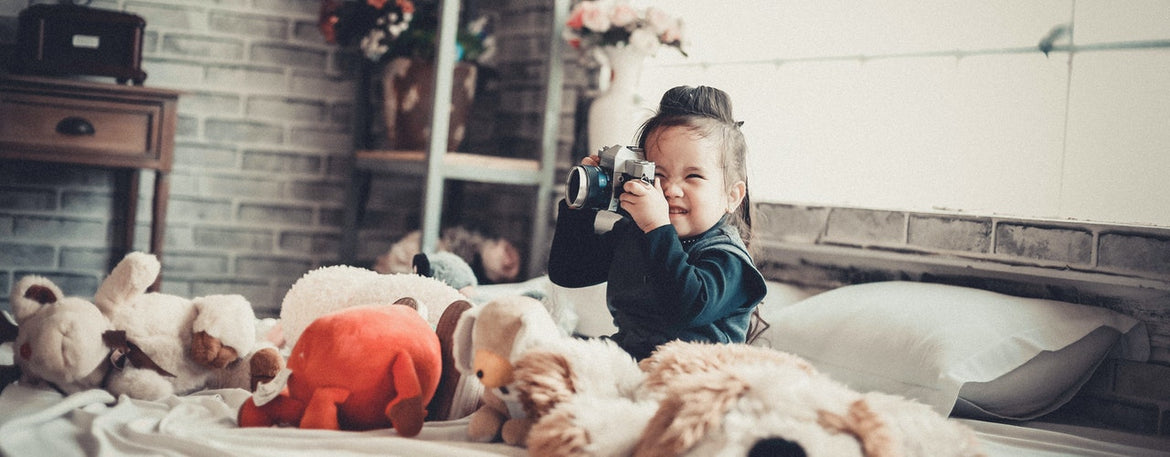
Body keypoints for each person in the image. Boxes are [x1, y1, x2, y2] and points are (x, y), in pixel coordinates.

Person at [548, 85, 767, 360]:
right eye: (658, 175)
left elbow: (685, 307)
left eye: (693, 177)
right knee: (548, 361)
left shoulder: (728, 259)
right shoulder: (637, 233)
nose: (671, 190)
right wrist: (580, 206)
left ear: (732, 196)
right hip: (632, 358)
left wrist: (657, 228)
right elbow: (568, 271)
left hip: (696, 373)